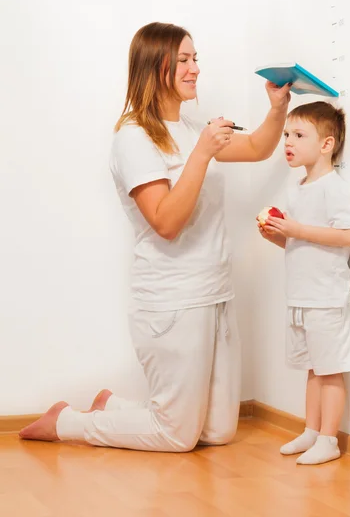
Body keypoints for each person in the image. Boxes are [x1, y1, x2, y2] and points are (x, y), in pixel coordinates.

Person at [20, 22, 291, 451]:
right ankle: (66, 422)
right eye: (183, 60)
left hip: (215, 293)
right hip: (172, 300)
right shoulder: (134, 137)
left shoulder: (190, 128)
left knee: (219, 432)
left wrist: (277, 109)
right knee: (177, 436)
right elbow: (165, 223)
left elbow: (257, 147)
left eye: (195, 58)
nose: (195, 69)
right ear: (154, 66)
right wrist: (201, 152)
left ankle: (110, 406)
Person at [258, 101, 350, 465]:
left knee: (330, 371)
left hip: (326, 298)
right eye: (287, 134)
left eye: (299, 135)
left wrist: (297, 229)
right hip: (301, 296)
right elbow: (300, 241)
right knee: (313, 368)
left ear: (326, 145)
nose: (288, 142)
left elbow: (349, 235)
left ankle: (329, 439)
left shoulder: (335, 188)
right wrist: (278, 235)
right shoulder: (297, 188)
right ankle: (312, 431)